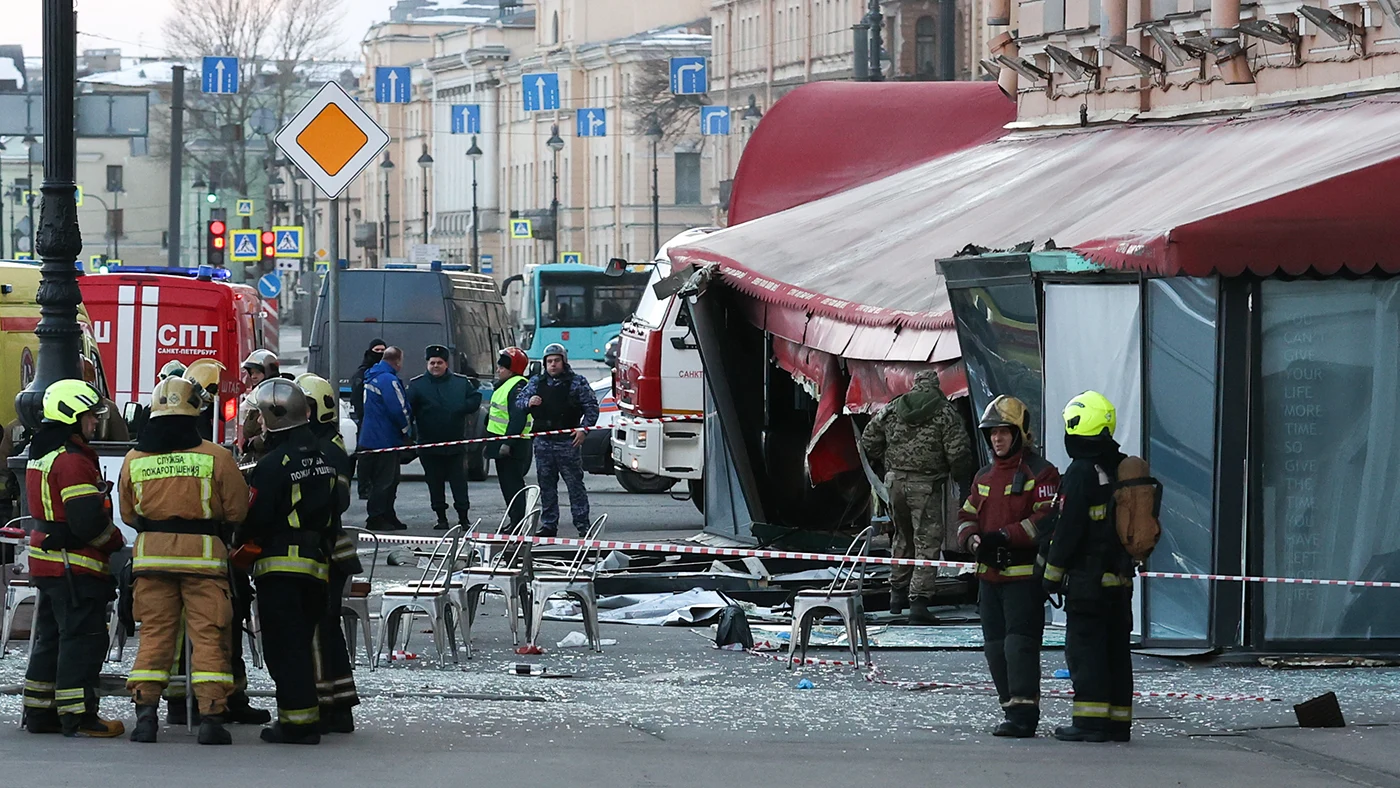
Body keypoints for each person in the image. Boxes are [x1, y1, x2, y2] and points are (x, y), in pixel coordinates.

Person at [118, 369, 249, 745]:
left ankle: (145, 718)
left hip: (150, 561)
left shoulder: (134, 459)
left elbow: (129, 514)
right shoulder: (217, 457)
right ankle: (210, 720)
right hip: (204, 562)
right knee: (209, 637)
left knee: (155, 637)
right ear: (194, 414)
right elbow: (237, 510)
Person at [235, 378, 345, 745]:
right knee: (302, 643)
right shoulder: (325, 455)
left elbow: (255, 517)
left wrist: (240, 543)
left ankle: (297, 724)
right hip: (317, 566)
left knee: (285, 649)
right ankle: (306, 718)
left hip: (280, 568)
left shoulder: (271, 466)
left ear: (275, 416)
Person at [21, 379, 126, 738]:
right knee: (83, 639)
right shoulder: (72, 461)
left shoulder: (43, 453)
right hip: (74, 567)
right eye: (90, 417)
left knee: (50, 638)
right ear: (71, 416)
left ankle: (39, 712)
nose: (95, 423)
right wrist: (114, 542)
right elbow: (86, 521)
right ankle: (79, 716)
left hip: (49, 565)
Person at [954, 395, 1060, 738]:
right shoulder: (984, 475)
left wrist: (1005, 536)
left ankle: (1024, 714)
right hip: (989, 579)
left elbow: (1045, 519)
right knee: (995, 647)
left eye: (1004, 432)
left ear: (1020, 433)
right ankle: (1009, 708)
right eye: (992, 433)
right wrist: (972, 541)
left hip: (1024, 579)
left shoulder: (1041, 472)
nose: (997, 439)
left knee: (1019, 645)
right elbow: (966, 515)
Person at [1042, 391, 1134, 744]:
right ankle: (1117, 722)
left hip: (1088, 581)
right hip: (1120, 579)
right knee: (1115, 650)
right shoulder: (1120, 466)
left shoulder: (1081, 471)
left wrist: (1050, 576)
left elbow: (1068, 529)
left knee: (1086, 649)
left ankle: (1090, 722)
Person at [859, 369, 975, 623]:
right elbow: (958, 451)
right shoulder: (945, 412)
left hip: (894, 482)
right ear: (935, 386)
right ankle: (919, 604)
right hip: (926, 484)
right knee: (927, 540)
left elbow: (868, 440)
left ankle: (896, 596)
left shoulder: (893, 408)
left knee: (902, 537)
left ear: (914, 385)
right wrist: (959, 475)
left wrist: (887, 462)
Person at [295, 373, 361, 733]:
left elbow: (338, 499)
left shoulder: (327, 449)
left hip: (325, 549)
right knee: (326, 628)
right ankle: (339, 705)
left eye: (303, 407)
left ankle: (326, 705)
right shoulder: (323, 443)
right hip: (326, 549)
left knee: (319, 629)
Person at [516, 343, 598, 537]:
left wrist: (583, 430)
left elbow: (591, 408)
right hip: (543, 441)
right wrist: (529, 402)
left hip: (567, 441)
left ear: (564, 361)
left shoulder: (577, 382)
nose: (553, 365)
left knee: (574, 485)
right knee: (546, 485)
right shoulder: (537, 382)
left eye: (556, 361)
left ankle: (582, 524)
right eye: (549, 361)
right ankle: (549, 525)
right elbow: (519, 402)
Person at [407, 345, 483, 530]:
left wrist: (461, 407)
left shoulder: (460, 382)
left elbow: (475, 399)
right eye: (432, 363)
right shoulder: (417, 385)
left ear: (446, 364)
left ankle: (463, 518)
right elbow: (408, 410)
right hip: (429, 444)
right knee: (434, 483)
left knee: (459, 483)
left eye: (439, 363)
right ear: (427, 364)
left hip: (454, 443)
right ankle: (441, 517)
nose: (435, 366)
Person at [358, 346, 411, 531]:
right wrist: (407, 431)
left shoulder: (373, 376)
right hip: (385, 439)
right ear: (398, 360)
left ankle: (387, 514)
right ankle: (377, 517)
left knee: (386, 480)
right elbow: (399, 409)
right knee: (385, 481)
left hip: (371, 437)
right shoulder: (389, 380)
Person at [486, 347, 533, 528]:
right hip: (501, 442)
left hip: (512, 445)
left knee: (513, 485)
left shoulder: (518, 386)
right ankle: (514, 520)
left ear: (512, 369)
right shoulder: (507, 385)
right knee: (507, 485)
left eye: (502, 368)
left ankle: (518, 522)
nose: (498, 370)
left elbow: (518, 417)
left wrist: (508, 442)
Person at [350, 339, 386, 501]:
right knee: (365, 457)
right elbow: (357, 398)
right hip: (366, 421)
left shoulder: (386, 373)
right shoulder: (362, 373)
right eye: (377, 350)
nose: (379, 354)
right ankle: (364, 487)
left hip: (381, 424)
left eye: (383, 351)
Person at [238, 349, 279, 463]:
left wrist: (253, 443)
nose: (253, 376)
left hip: (267, 455)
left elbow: (275, 432)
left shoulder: (276, 396)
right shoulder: (257, 393)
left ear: (269, 371)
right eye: (251, 373)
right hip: (257, 454)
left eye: (257, 372)